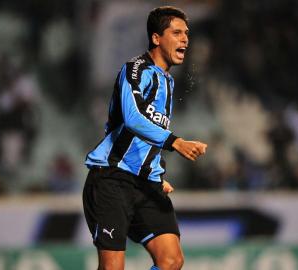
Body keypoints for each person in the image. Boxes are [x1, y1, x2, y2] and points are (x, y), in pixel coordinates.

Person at [83, 6, 207, 270]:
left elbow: (147, 133)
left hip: (145, 182)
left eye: (186, 33)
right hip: (112, 177)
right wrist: (176, 142)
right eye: (176, 32)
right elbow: (133, 118)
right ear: (156, 38)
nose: (185, 38)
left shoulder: (168, 83)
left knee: (171, 260)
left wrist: (155, 173)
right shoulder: (135, 69)